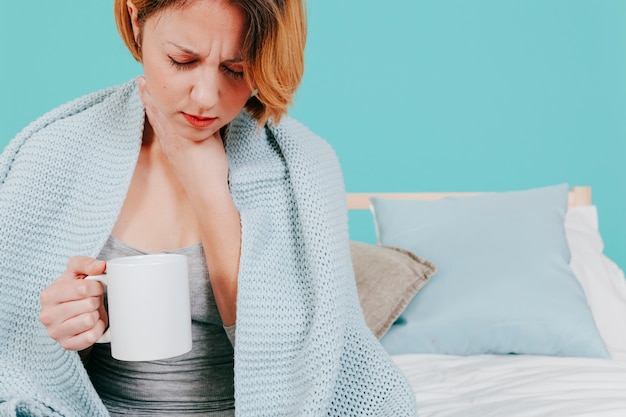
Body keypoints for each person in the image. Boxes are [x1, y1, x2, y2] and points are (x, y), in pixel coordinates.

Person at [0, 0, 417, 415]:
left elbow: (300, 373)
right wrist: (73, 333)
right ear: (134, 17)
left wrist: (209, 192)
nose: (206, 98)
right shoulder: (54, 154)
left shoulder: (305, 167)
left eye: (237, 69)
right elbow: (22, 371)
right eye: (182, 60)